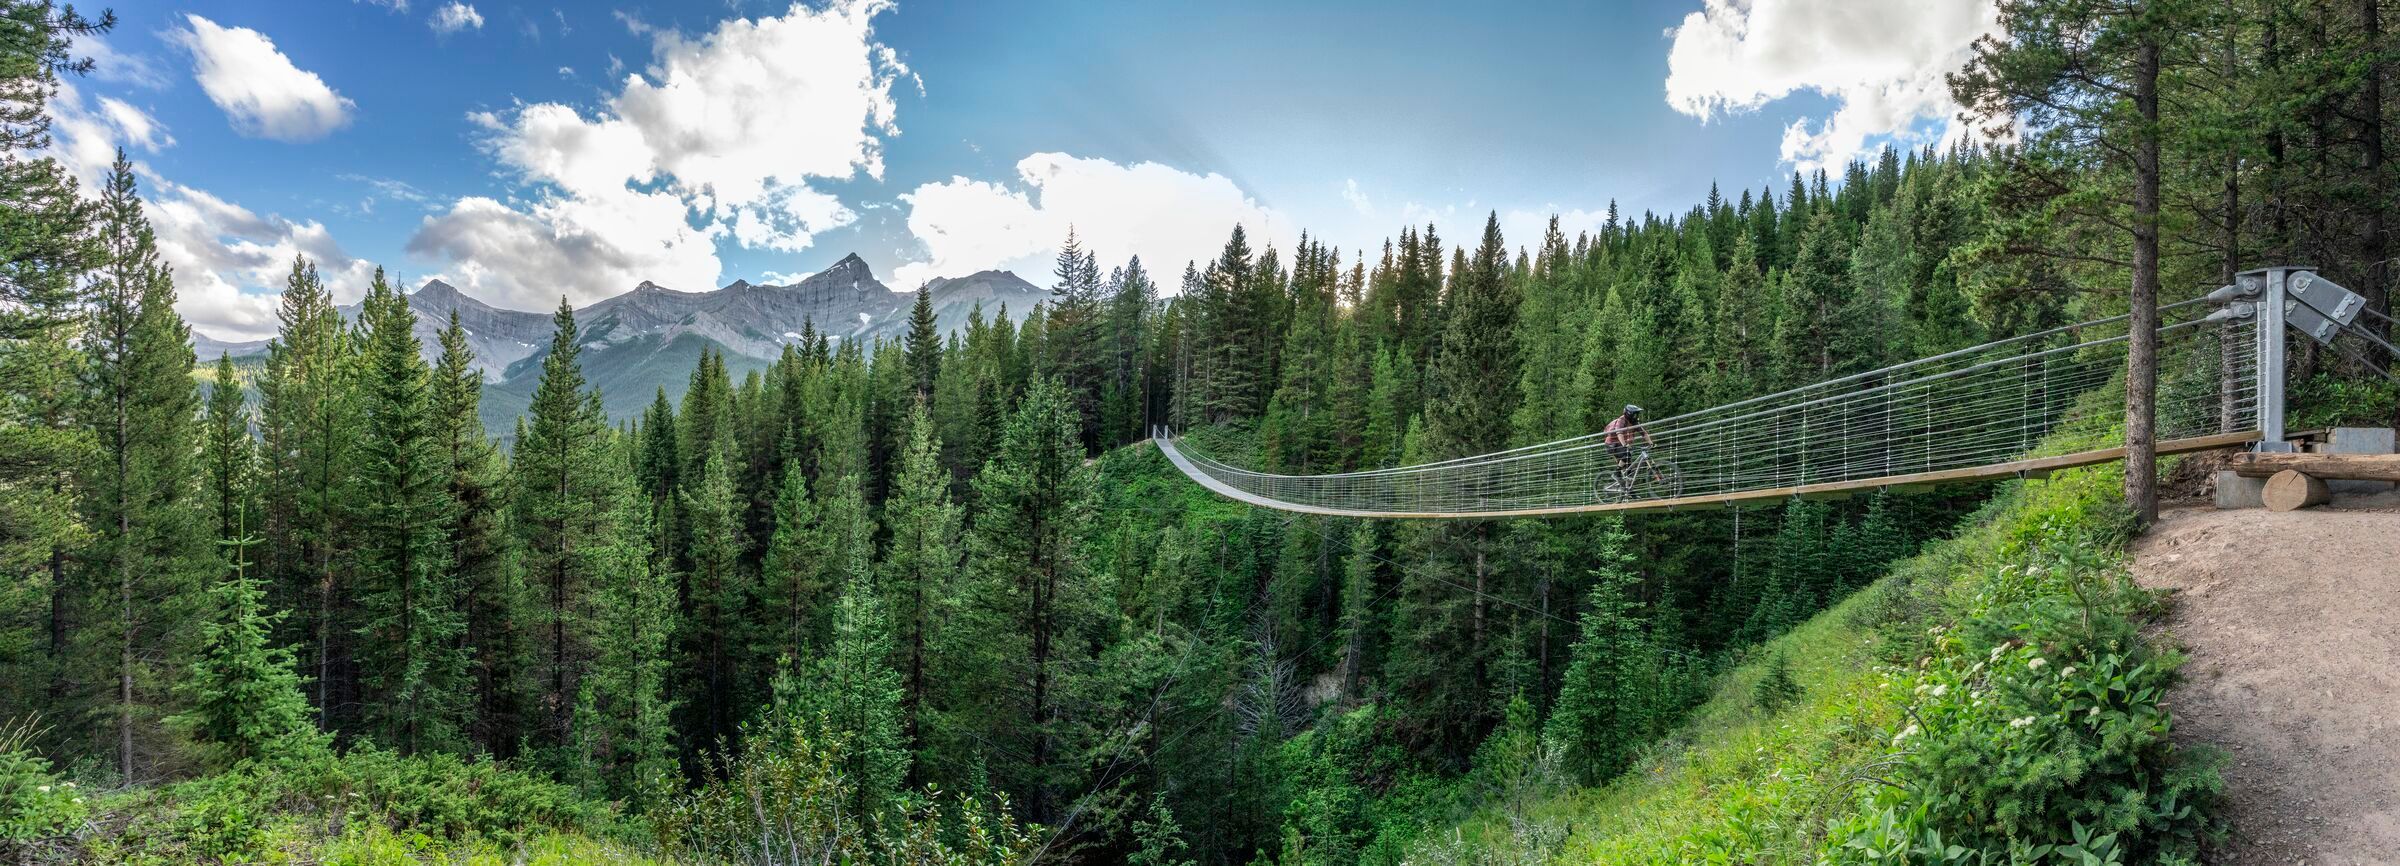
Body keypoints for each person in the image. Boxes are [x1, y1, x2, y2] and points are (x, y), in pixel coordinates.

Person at [1602, 405, 1653, 492]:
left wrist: (1651, 443)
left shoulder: (1634, 422)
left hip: (1621, 444)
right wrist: (1625, 445)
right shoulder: (1621, 421)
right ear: (1629, 414)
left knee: (1630, 471)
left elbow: (1643, 433)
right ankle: (1616, 474)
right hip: (1612, 444)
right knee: (1626, 454)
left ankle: (1630, 492)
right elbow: (1619, 433)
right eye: (1635, 414)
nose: (1636, 416)